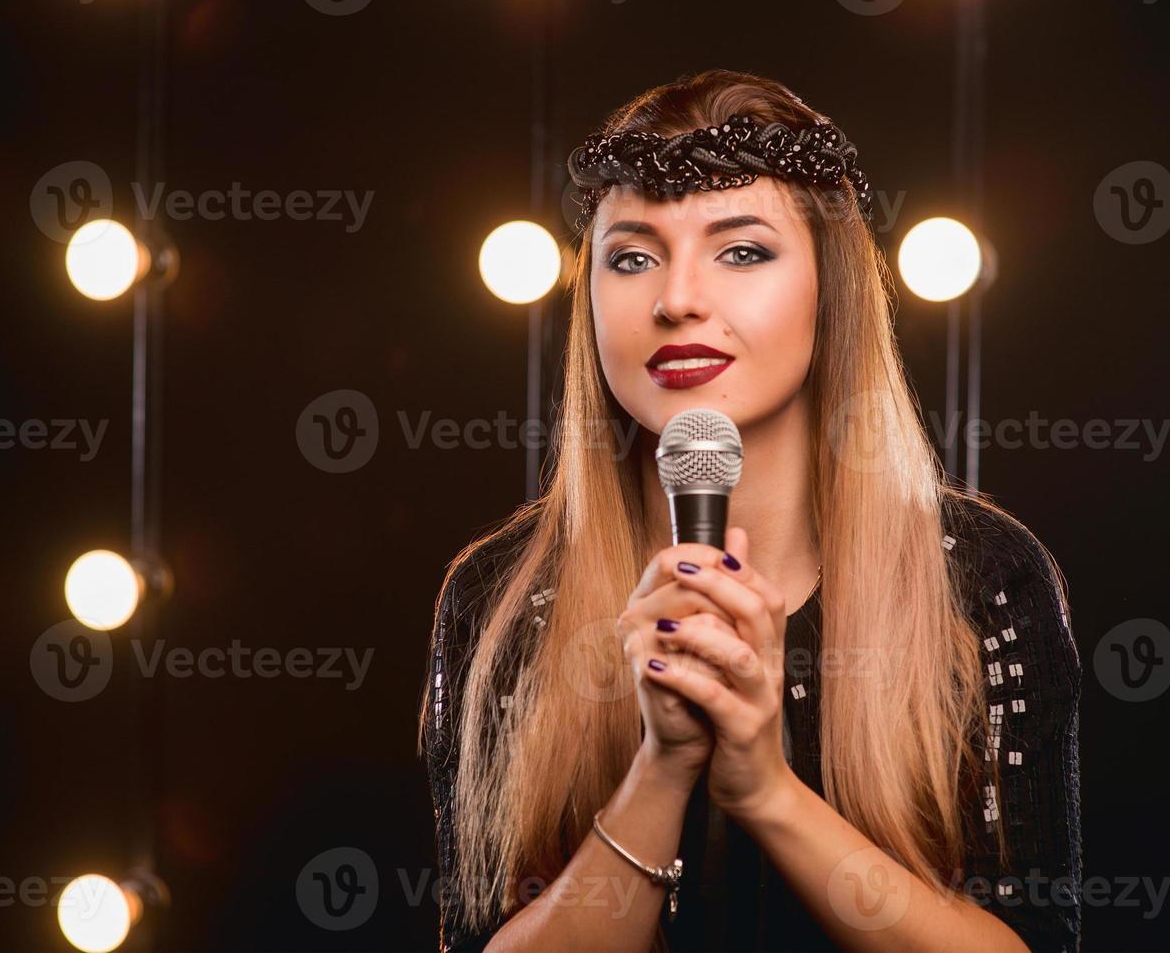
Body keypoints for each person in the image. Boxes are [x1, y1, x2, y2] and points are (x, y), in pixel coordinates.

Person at [420, 69, 1081, 953]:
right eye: (631, 255)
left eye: (741, 251)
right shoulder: (504, 597)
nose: (677, 298)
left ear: (829, 289)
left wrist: (763, 787)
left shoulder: (980, 577)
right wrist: (662, 769)